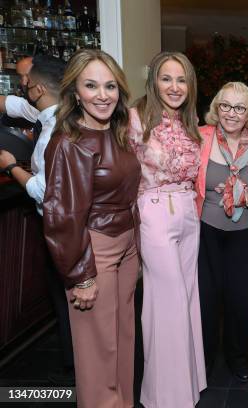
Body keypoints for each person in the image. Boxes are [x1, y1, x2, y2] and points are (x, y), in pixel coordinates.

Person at [43, 49, 141, 407]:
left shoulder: (118, 133)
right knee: (98, 350)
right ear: (75, 93)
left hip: (127, 245)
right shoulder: (69, 143)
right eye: (91, 85)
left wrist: (136, 248)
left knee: (122, 340)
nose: (103, 94)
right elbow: (62, 217)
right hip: (93, 249)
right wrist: (80, 275)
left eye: (110, 86)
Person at [129, 51, 206, 407]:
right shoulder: (133, 119)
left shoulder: (191, 123)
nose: (174, 87)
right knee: (167, 302)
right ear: (153, 81)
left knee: (188, 298)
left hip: (189, 213)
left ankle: (190, 384)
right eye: (166, 78)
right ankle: (167, 397)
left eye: (182, 80)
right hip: (155, 211)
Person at [0, 55, 74, 385]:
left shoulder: (52, 133)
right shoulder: (50, 112)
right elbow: (13, 106)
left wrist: (10, 166)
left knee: (66, 302)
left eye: (27, 83)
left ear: (40, 87)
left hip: (59, 229)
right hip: (67, 228)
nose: (23, 87)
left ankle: (77, 368)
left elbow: (44, 193)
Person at [196, 81, 248, 382]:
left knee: (241, 301)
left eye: (239, 107)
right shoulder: (200, 137)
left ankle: (238, 358)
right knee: (206, 300)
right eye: (225, 105)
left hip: (245, 231)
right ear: (216, 108)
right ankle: (202, 360)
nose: (231, 113)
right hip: (205, 231)